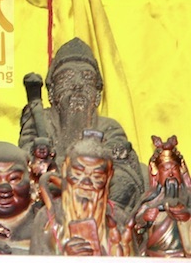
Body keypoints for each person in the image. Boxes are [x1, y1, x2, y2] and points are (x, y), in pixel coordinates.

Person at [18, 37, 145, 213]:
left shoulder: (109, 127)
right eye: (67, 78)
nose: (78, 86)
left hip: (98, 210)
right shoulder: (41, 121)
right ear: (52, 92)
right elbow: (24, 165)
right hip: (47, 209)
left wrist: (71, 173)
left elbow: (124, 176)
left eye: (87, 79)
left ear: (97, 96)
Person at [30, 131, 133, 256]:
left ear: (109, 176)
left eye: (97, 176)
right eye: (78, 173)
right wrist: (65, 256)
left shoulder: (119, 219)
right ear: (64, 170)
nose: (86, 182)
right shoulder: (46, 218)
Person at [133, 135, 191, 257]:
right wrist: (145, 218)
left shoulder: (188, 196)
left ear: (181, 170)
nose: (171, 174)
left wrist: (185, 216)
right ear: (157, 173)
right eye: (165, 169)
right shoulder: (150, 200)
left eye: (174, 168)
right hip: (155, 255)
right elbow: (134, 224)